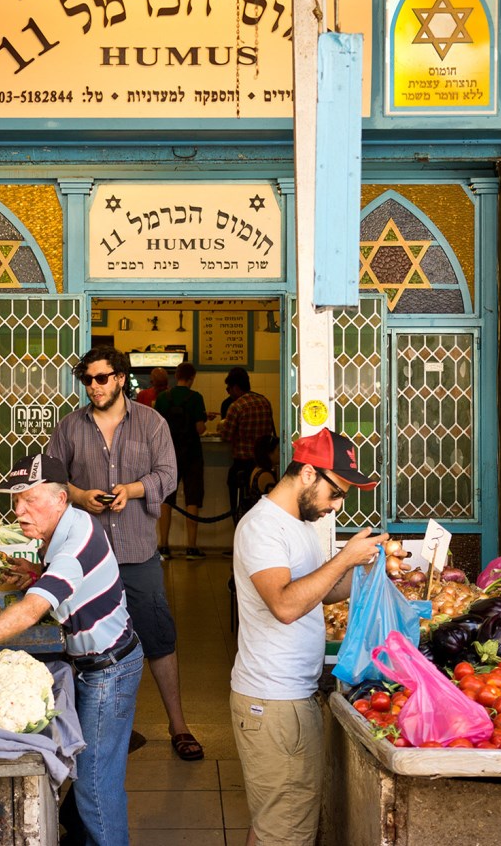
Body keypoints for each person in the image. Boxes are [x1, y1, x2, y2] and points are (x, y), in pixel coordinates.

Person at [0, 454, 142, 846]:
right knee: (92, 780)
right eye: (15, 499)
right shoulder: (67, 526)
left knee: (95, 787)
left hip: (109, 671)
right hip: (98, 664)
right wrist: (35, 576)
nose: (19, 511)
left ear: (60, 499)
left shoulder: (73, 544)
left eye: (31, 500)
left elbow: (33, 609)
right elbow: (66, 585)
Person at [231, 428, 393, 846]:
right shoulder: (262, 528)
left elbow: (318, 590)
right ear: (307, 473)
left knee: (277, 824)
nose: (337, 505)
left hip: (291, 695)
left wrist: (364, 569)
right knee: (285, 830)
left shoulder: (299, 522)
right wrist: (343, 558)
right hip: (272, 700)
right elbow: (285, 605)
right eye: (335, 492)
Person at [49, 345, 201, 760]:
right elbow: (53, 480)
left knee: (158, 636)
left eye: (101, 378)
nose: (94, 388)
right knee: (86, 642)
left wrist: (131, 491)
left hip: (137, 549)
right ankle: (102, 727)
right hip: (85, 556)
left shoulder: (152, 422)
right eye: (87, 380)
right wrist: (80, 495)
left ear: (119, 378)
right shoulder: (69, 427)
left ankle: (179, 725)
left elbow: (168, 475)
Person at [155, 361, 208, 561]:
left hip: (168, 454)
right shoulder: (196, 398)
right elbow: (200, 429)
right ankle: (191, 548)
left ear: (176, 376)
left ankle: (164, 546)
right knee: (192, 498)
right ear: (192, 377)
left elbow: (157, 429)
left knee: (166, 499)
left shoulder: (162, 398)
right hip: (192, 454)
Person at [222, 367, 276, 524]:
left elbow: (226, 436)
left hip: (242, 465)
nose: (228, 393)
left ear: (236, 387)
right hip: (263, 464)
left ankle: (240, 534)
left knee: (238, 503)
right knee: (261, 505)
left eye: (228, 389)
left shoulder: (236, 406)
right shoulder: (264, 401)